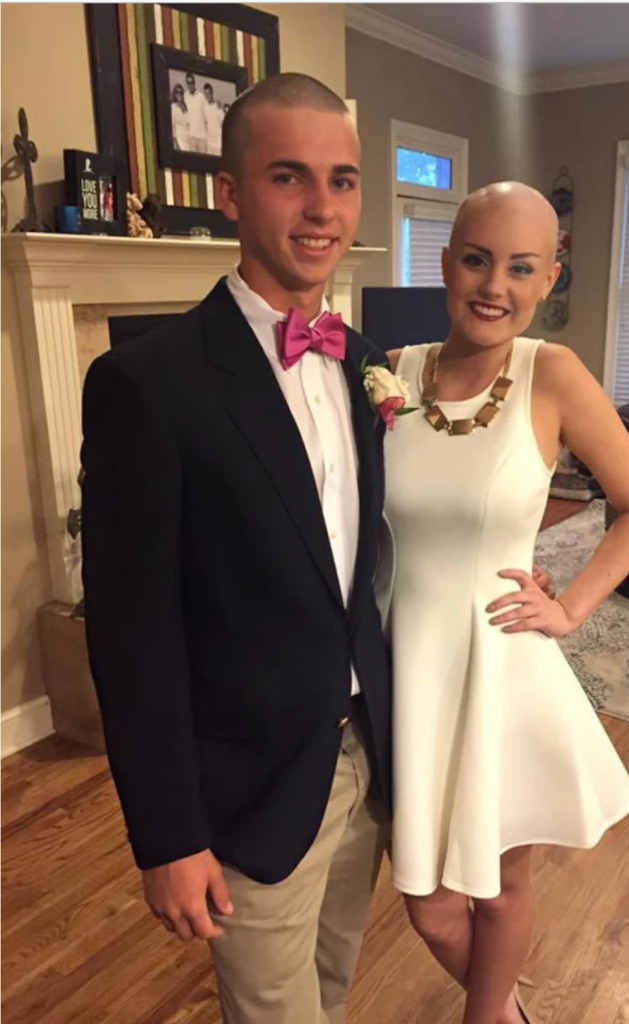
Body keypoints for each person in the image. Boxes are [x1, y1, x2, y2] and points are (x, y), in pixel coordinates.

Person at [81, 73, 393, 1024]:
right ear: (230, 193)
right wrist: (167, 836)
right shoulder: (146, 383)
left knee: (330, 990)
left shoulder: (360, 359)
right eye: (288, 177)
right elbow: (132, 634)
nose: (321, 208)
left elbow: (358, 562)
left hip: (365, 763)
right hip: (249, 786)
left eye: (341, 180)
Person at [383, 182, 629, 1024]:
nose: (493, 286)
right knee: (429, 905)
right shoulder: (392, 372)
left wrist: (569, 607)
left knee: (500, 886)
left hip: (496, 662)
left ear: (549, 277)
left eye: (519, 267)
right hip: (403, 666)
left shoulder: (552, 373)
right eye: (476, 260)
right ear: (446, 264)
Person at [184, 71, 207, 153]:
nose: (190, 85)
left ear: (194, 82)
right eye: (188, 83)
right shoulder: (185, 96)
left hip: (202, 137)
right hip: (191, 136)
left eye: (192, 82)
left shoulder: (201, 96)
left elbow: (208, 110)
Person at [203, 82, 225, 157]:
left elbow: (223, 123)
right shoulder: (205, 107)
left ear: (212, 93)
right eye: (205, 94)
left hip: (218, 144)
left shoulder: (218, 107)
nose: (207, 96)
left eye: (208, 93)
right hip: (209, 144)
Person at [170, 83, 190, 152]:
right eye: (177, 92)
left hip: (189, 141)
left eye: (181, 92)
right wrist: (176, 144)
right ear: (174, 94)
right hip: (180, 141)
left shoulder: (186, 106)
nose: (179, 94)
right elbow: (172, 128)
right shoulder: (173, 107)